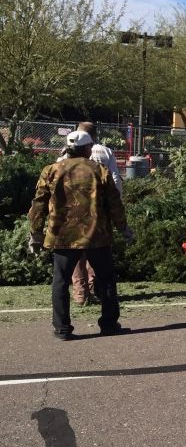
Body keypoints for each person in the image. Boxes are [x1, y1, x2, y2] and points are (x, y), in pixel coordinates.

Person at [28, 130, 134, 341]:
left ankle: (62, 329)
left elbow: (38, 204)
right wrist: (123, 228)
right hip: (97, 235)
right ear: (87, 149)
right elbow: (114, 203)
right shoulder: (99, 170)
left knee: (60, 282)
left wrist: (35, 233)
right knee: (106, 280)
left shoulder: (51, 170)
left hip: (62, 236)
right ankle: (109, 324)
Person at [58, 122, 124, 304]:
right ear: (93, 137)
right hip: (98, 212)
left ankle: (80, 293)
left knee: (76, 255)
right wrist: (116, 209)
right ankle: (97, 289)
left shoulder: (63, 155)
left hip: (70, 214)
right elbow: (115, 180)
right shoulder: (104, 152)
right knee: (98, 253)